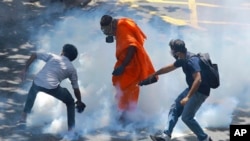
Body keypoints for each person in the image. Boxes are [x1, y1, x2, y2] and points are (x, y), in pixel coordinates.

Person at [140, 39, 212, 141]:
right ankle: (166, 136)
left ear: (177, 52)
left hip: (200, 91)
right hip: (192, 88)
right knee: (175, 108)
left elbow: (198, 79)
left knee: (187, 117)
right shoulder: (183, 58)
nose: (171, 52)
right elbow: (169, 67)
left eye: (172, 50)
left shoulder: (191, 60)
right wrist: (155, 74)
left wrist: (187, 97)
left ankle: (204, 138)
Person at [100, 15, 157, 122]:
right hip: (125, 61)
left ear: (111, 24)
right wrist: (113, 35)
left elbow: (131, 46)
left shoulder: (122, 28)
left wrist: (123, 66)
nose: (106, 32)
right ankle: (124, 110)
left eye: (107, 29)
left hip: (131, 63)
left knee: (129, 87)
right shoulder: (117, 26)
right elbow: (124, 41)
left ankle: (128, 113)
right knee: (120, 84)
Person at [19, 44, 86, 131]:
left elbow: (34, 54)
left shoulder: (52, 56)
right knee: (70, 102)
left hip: (38, 82)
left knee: (33, 91)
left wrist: (25, 68)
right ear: (72, 58)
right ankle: (71, 130)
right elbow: (76, 89)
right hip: (52, 87)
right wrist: (79, 101)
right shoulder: (72, 69)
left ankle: (23, 118)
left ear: (63, 52)